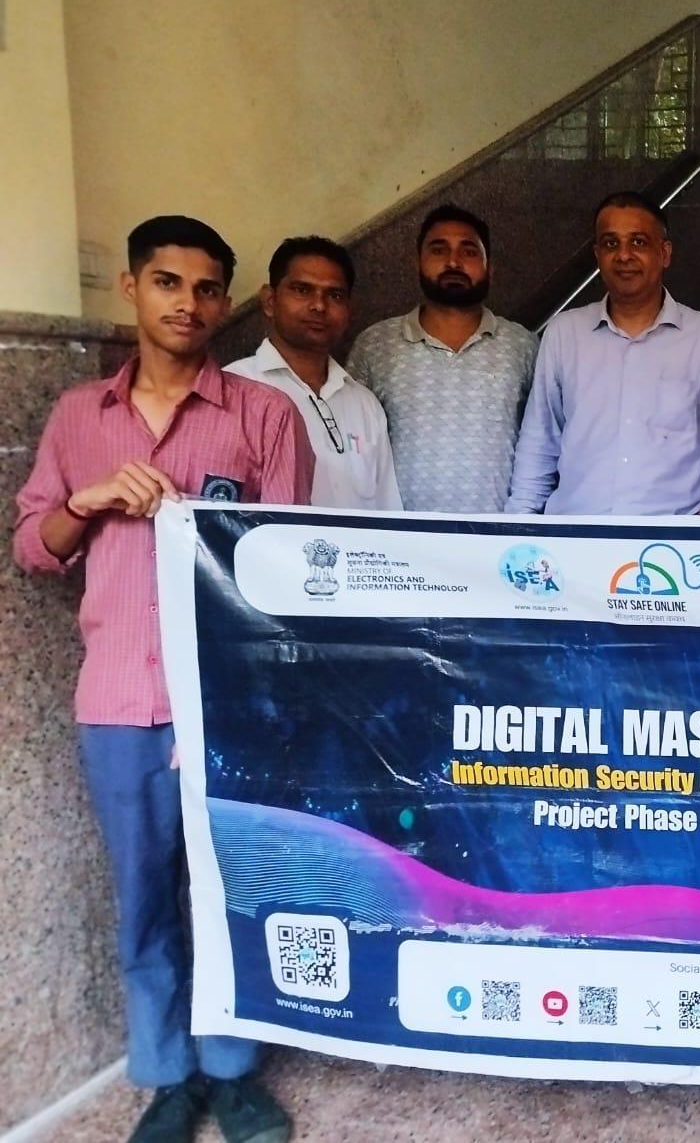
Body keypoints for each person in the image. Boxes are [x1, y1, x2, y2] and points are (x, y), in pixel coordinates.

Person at [14, 216, 311, 1143]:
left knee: (226, 891)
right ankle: (167, 1075)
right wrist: (88, 499)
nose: (188, 303)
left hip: (224, 703)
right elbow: (34, 548)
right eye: (168, 282)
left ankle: (232, 1071)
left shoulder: (264, 416)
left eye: (207, 287)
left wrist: (222, 544)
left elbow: (293, 566)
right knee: (143, 896)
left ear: (227, 301)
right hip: (118, 703)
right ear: (132, 289)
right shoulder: (79, 418)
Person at [506, 191, 700, 516]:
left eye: (638, 242)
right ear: (597, 255)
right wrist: (520, 521)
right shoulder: (564, 333)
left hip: (673, 537)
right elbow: (540, 437)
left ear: (664, 253)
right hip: (576, 533)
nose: (623, 255)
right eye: (610, 243)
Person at [346, 204, 536, 512]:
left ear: (490, 268)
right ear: (417, 263)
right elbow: (352, 447)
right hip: (400, 535)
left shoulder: (523, 346)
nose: (453, 262)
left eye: (469, 251)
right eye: (438, 250)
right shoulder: (376, 344)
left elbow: (543, 445)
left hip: (497, 534)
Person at [226, 236, 401, 510]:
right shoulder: (234, 389)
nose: (319, 305)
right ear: (270, 301)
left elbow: (388, 511)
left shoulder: (364, 404)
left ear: (350, 310)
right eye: (302, 290)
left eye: (334, 295)